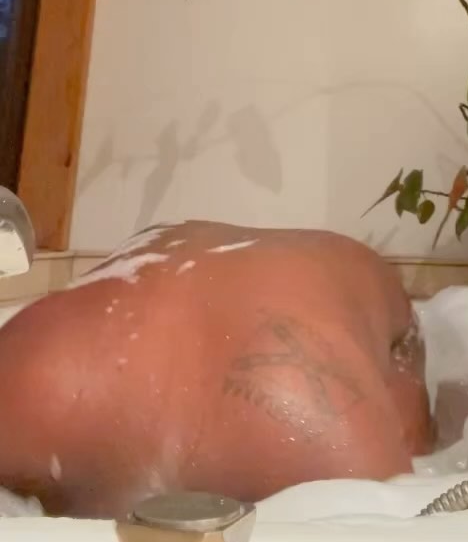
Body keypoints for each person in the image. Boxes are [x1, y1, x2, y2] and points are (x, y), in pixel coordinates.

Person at [0, 221, 433, 519]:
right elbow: (413, 436)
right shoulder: (359, 265)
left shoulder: (160, 238)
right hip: (295, 390)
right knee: (390, 540)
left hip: (54, 366)